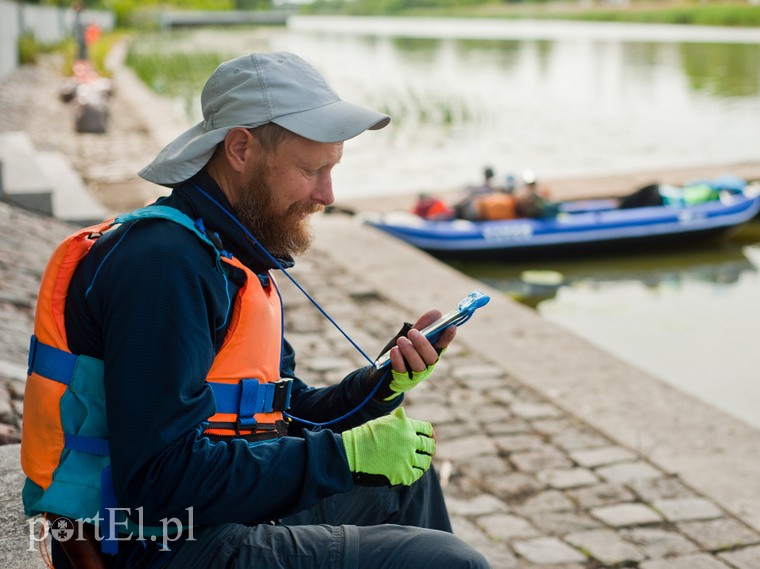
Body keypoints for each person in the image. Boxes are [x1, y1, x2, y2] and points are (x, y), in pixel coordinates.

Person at [21, 52, 492, 569]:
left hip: (205, 517)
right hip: (150, 542)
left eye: (331, 170)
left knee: (410, 482)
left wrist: (381, 385)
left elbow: (280, 416)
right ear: (241, 147)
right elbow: (158, 482)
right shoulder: (162, 267)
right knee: (447, 561)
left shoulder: (228, 254)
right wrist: (345, 457)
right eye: (312, 169)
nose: (327, 194)